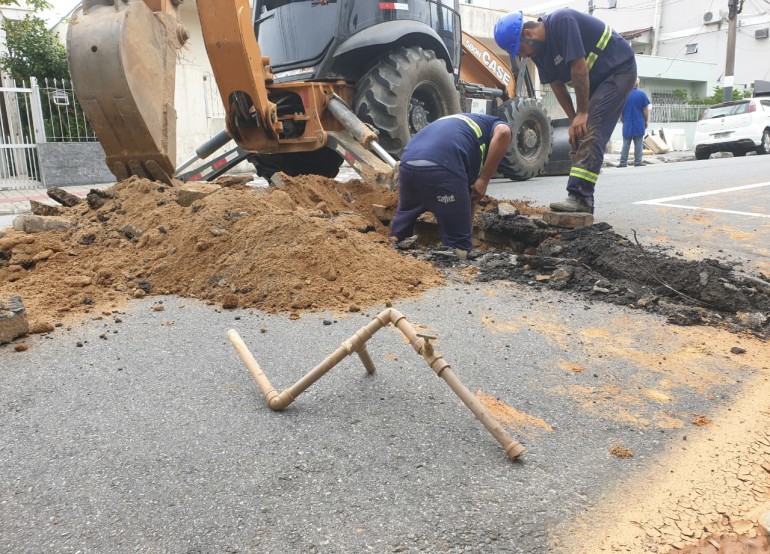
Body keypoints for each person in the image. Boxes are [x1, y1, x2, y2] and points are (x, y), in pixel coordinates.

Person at [494, 9, 637, 213]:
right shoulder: (538, 53)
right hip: (595, 81)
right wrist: (574, 119)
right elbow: (557, 87)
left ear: (529, 34)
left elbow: (579, 69)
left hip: (619, 70)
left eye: (519, 49)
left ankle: (580, 197)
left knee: (592, 127)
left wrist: (583, 112)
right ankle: (581, 199)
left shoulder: (563, 21)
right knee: (580, 130)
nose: (521, 55)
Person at [389, 113, 512, 254]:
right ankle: (458, 262)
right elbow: (504, 133)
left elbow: (469, 193)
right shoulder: (497, 125)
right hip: (442, 169)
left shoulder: (461, 125)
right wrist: (484, 179)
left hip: (407, 166)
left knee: (400, 233)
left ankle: (391, 258)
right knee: (458, 248)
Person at [618, 79, 650, 167]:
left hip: (627, 123)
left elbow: (619, 111)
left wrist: (622, 119)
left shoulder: (624, 95)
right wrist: (646, 121)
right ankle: (638, 161)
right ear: (638, 84)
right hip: (639, 122)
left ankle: (623, 162)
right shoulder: (642, 94)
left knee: (626, 144)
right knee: (638, 144)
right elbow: (645, 110)